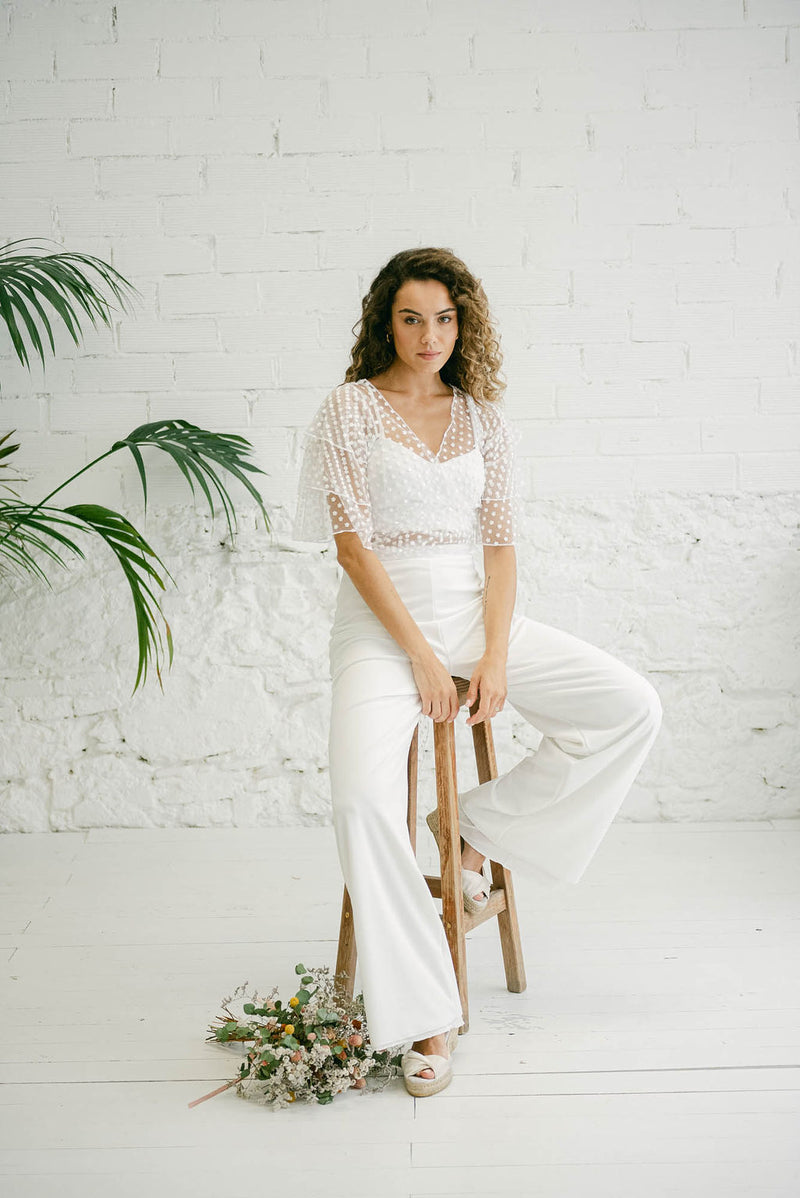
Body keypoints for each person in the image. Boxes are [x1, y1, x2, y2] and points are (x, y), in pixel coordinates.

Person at [292, 246, 662, 1098]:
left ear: (466, 323)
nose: (430, 336)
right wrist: (422, 658)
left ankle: (471, 829)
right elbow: (352, 548)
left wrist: (492, 655)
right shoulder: (349, 411)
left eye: (446, 318)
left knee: (627, 705)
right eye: (412, 317)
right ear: (386, 320)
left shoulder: (483, 418)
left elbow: (500, 547)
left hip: (471, 611)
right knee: (357, 801)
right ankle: (428, 1014)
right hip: (382, 629)